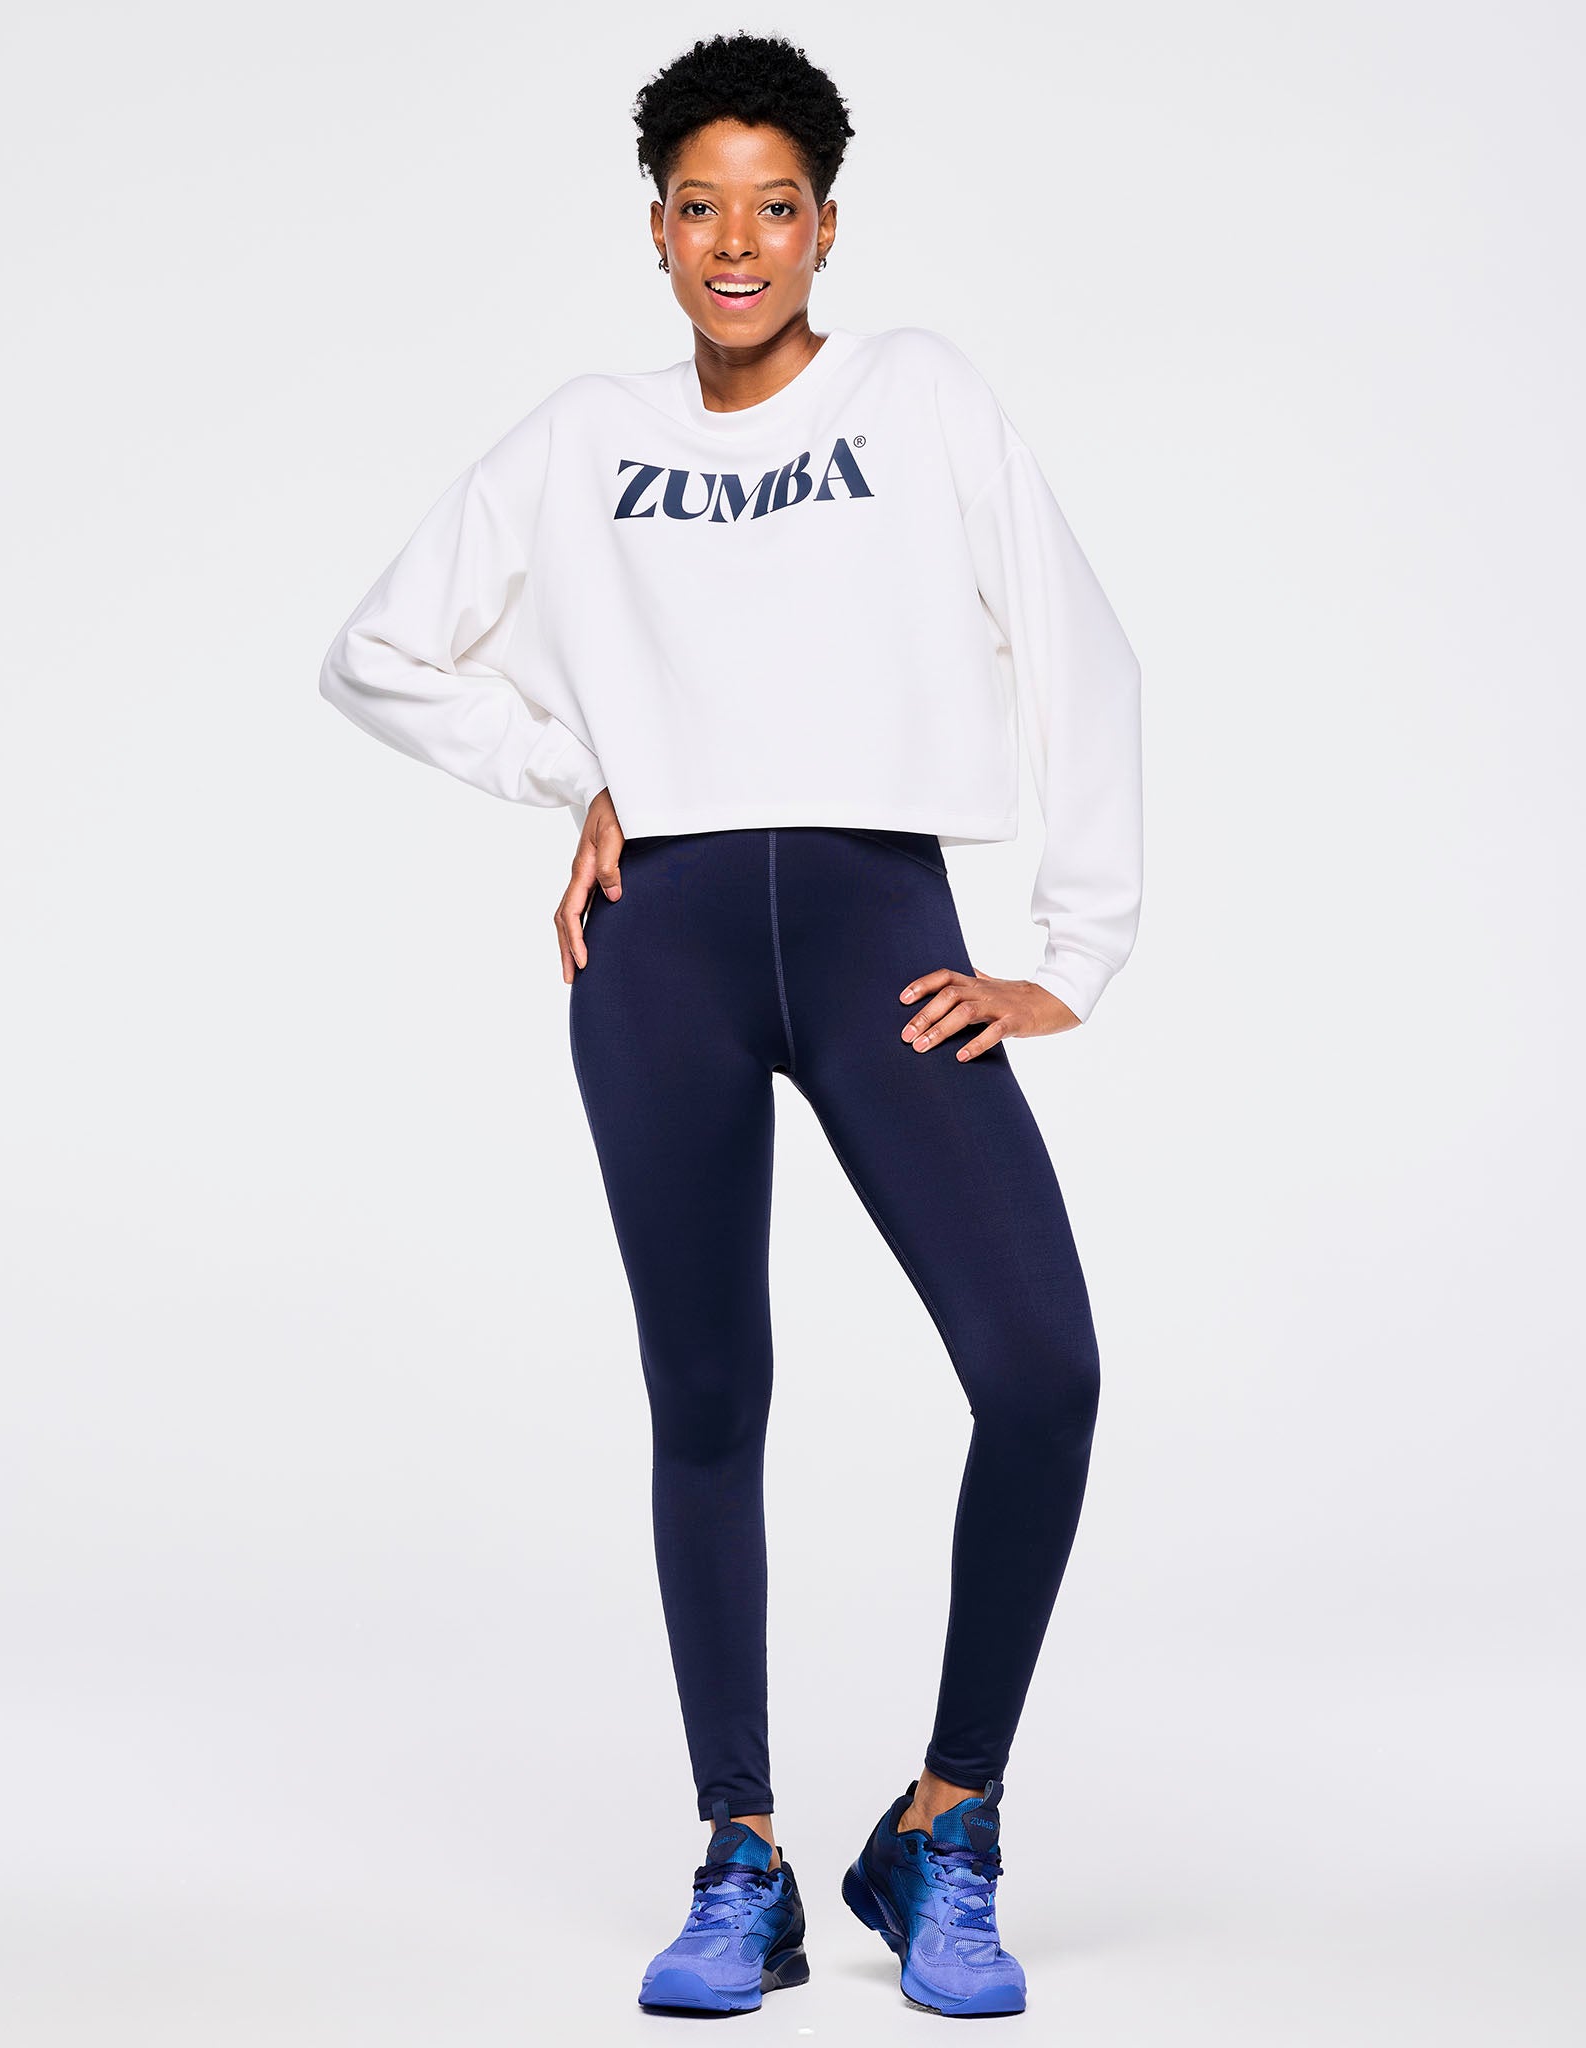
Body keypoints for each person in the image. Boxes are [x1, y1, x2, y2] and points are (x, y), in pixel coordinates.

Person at [317, 30, 1142, 2022]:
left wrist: (1076, 945)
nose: (739, 242)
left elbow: (1082, 643)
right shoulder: (583, 436)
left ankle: (945, 1821)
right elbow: (376, 648)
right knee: (707, 1400)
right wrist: (570, 775)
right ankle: (740, 1858)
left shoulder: (917, 394)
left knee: (1040, 1370)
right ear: (657, 232)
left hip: (880, 937)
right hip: (663, 951)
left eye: (776, 206)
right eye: (702, 207)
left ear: (828, 226)